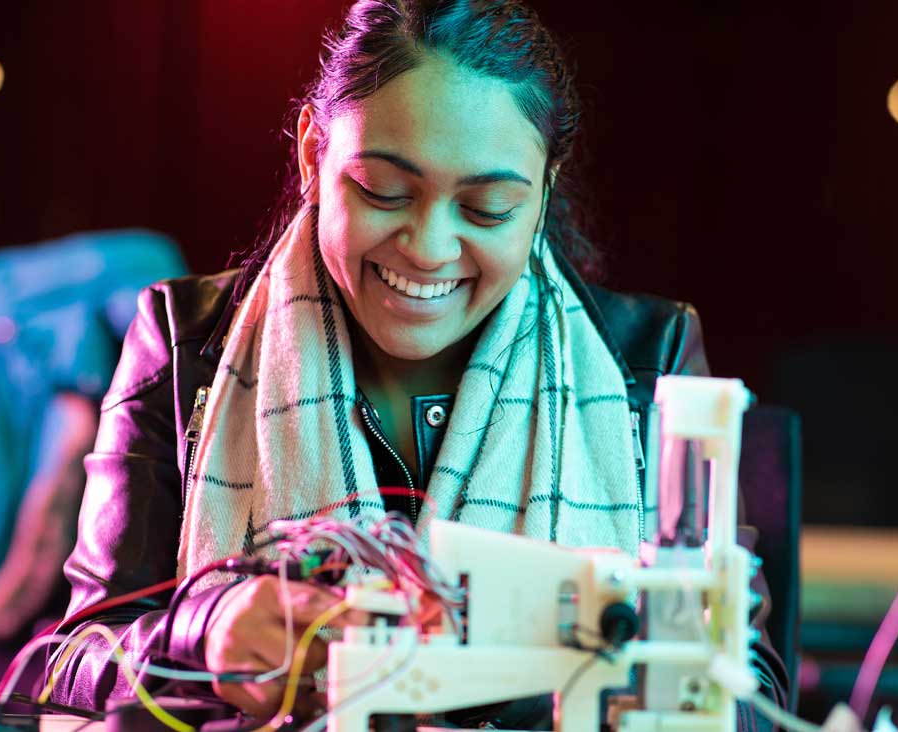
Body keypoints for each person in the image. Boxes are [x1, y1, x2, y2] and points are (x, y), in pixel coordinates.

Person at [43, 0, 791, 727]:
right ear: (312, 153)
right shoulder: (186, 342)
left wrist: (625, 667)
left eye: (488, 209)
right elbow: (63, 670)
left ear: (544, 192)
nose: (429, 249)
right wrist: (203, 634)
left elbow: (750, 693)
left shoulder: (647, 360)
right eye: (384, 191)